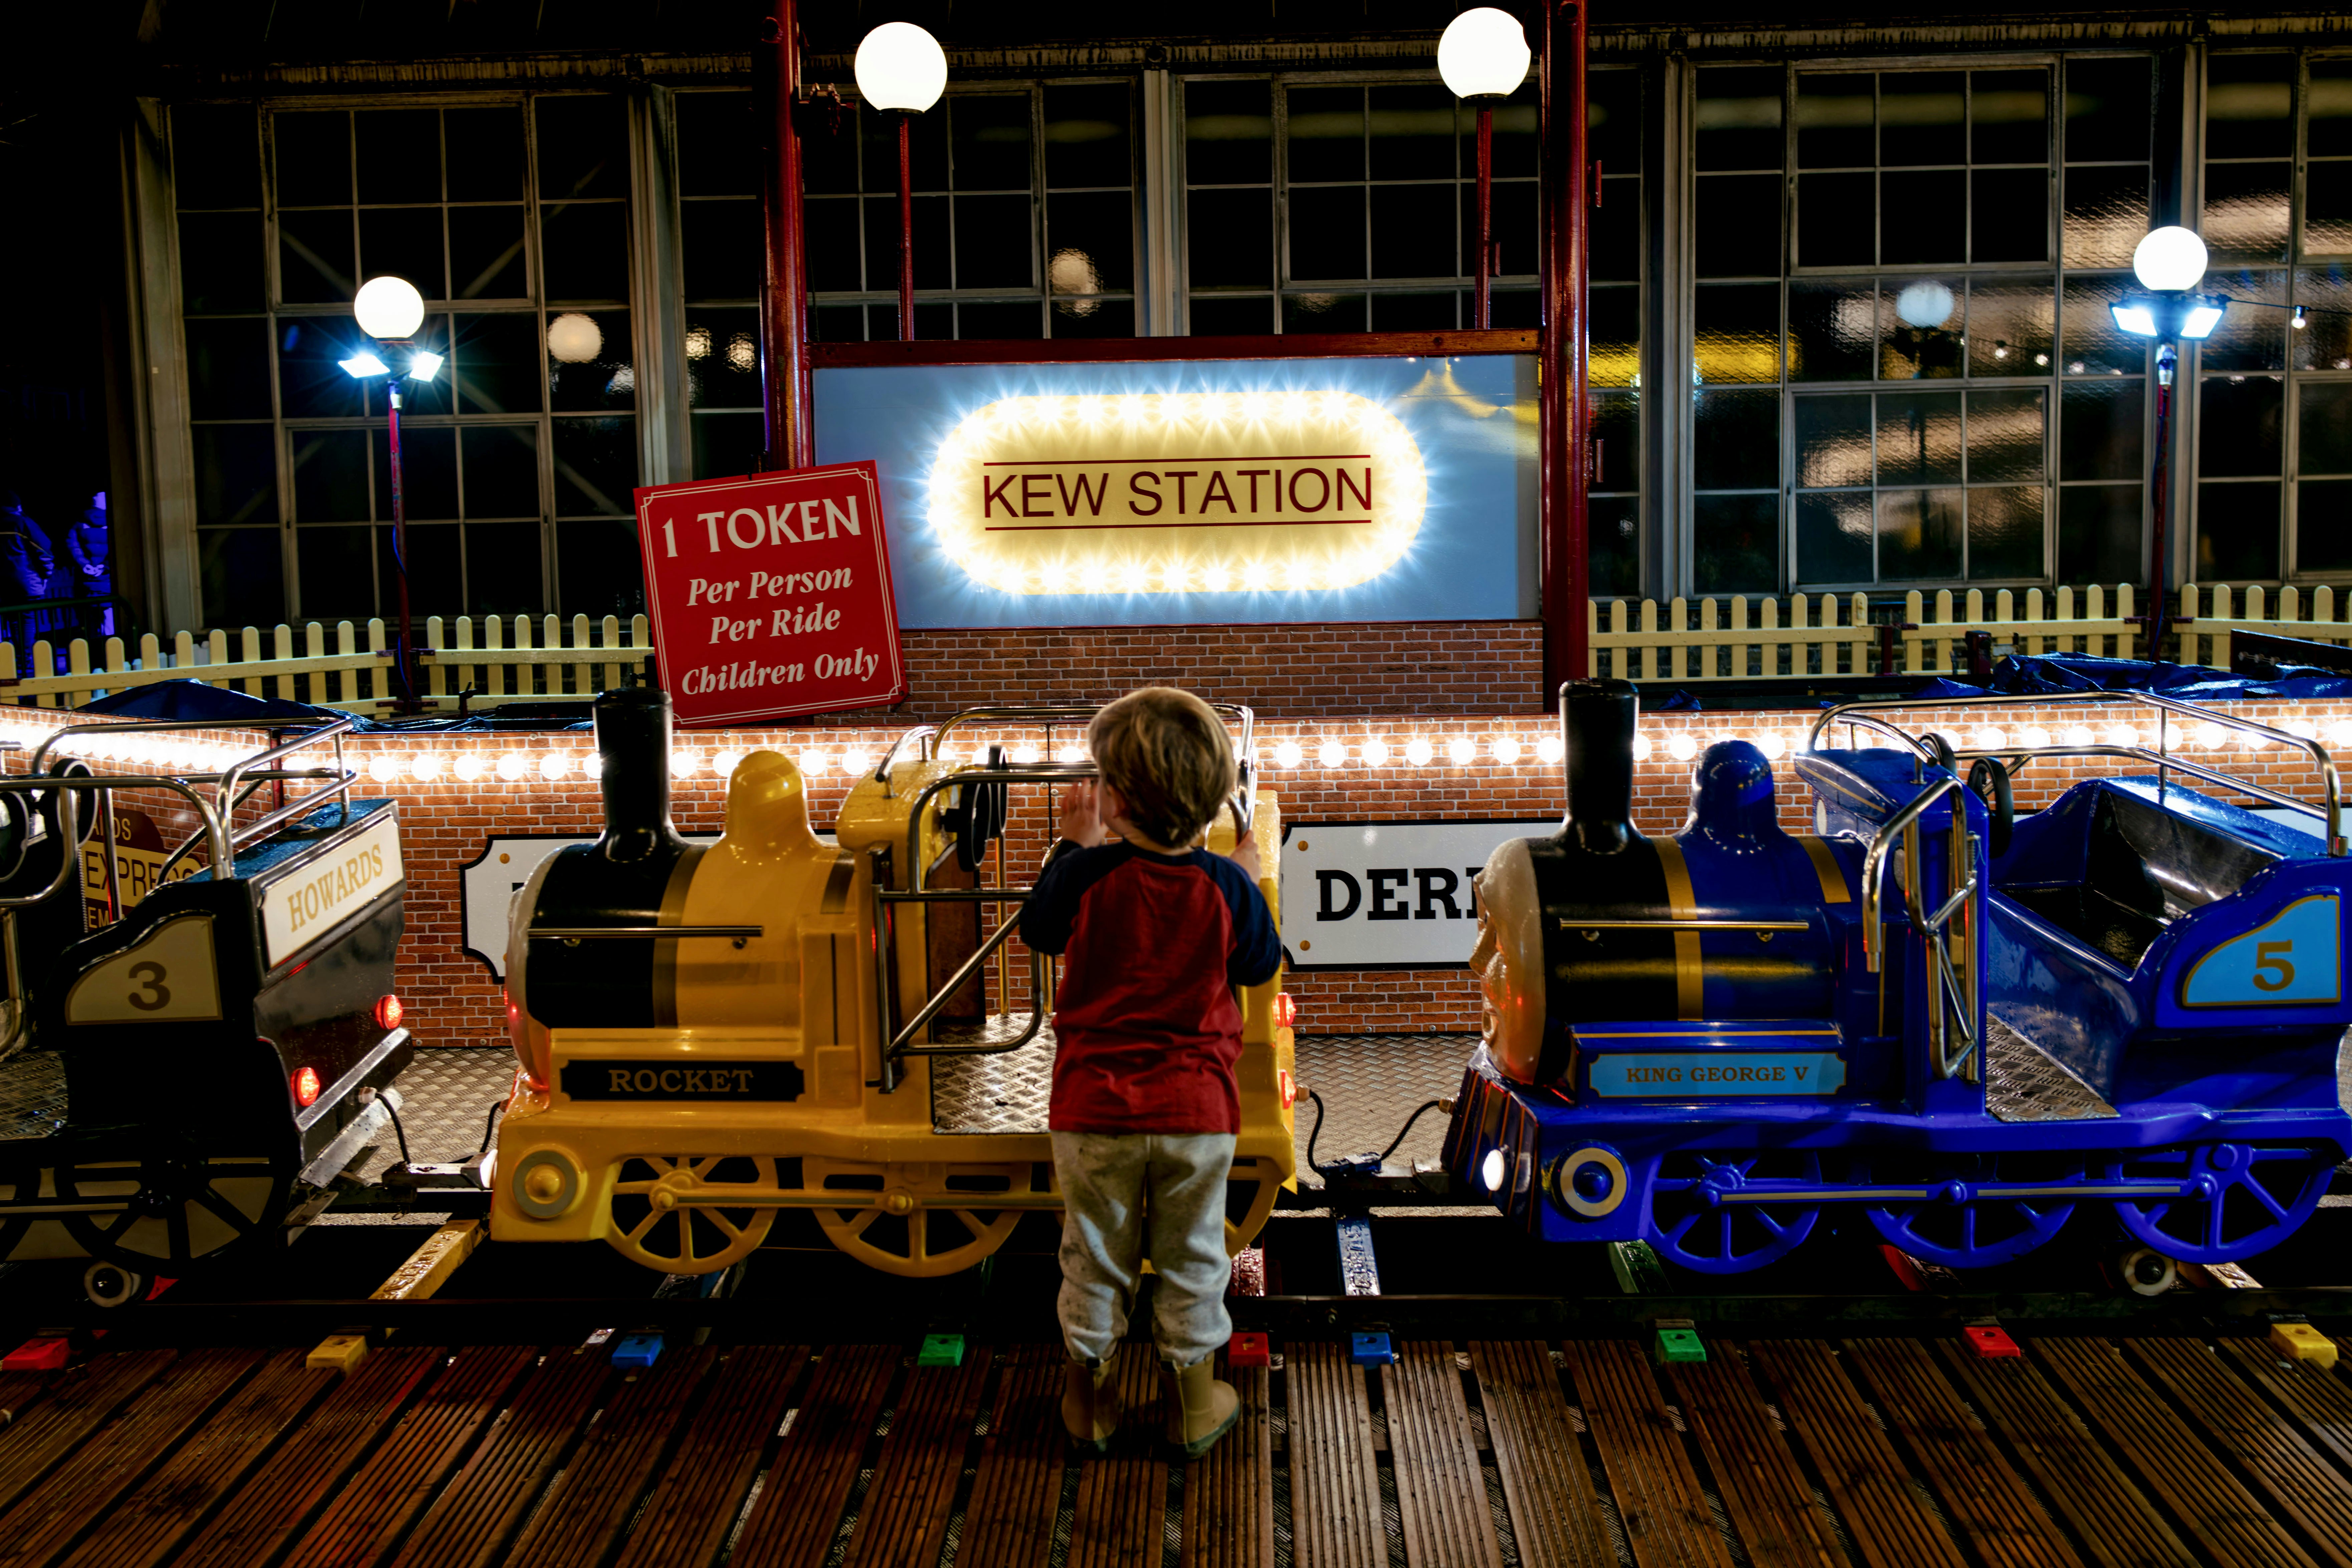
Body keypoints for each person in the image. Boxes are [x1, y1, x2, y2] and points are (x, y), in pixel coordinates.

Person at [1019, 687, 1280, 1460]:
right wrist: (1250, 873)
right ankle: (1194, 1409)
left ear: (1118, 801)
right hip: (1197, 1110)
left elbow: (1039, 930)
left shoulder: (1085, 876)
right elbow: (1258, 962)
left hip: (1091, 1106)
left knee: (1091, 1254)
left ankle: (1086, 1405)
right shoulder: (1226, 887)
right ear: (1209, 800)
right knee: (1194, 1254)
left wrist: (1073, 845)